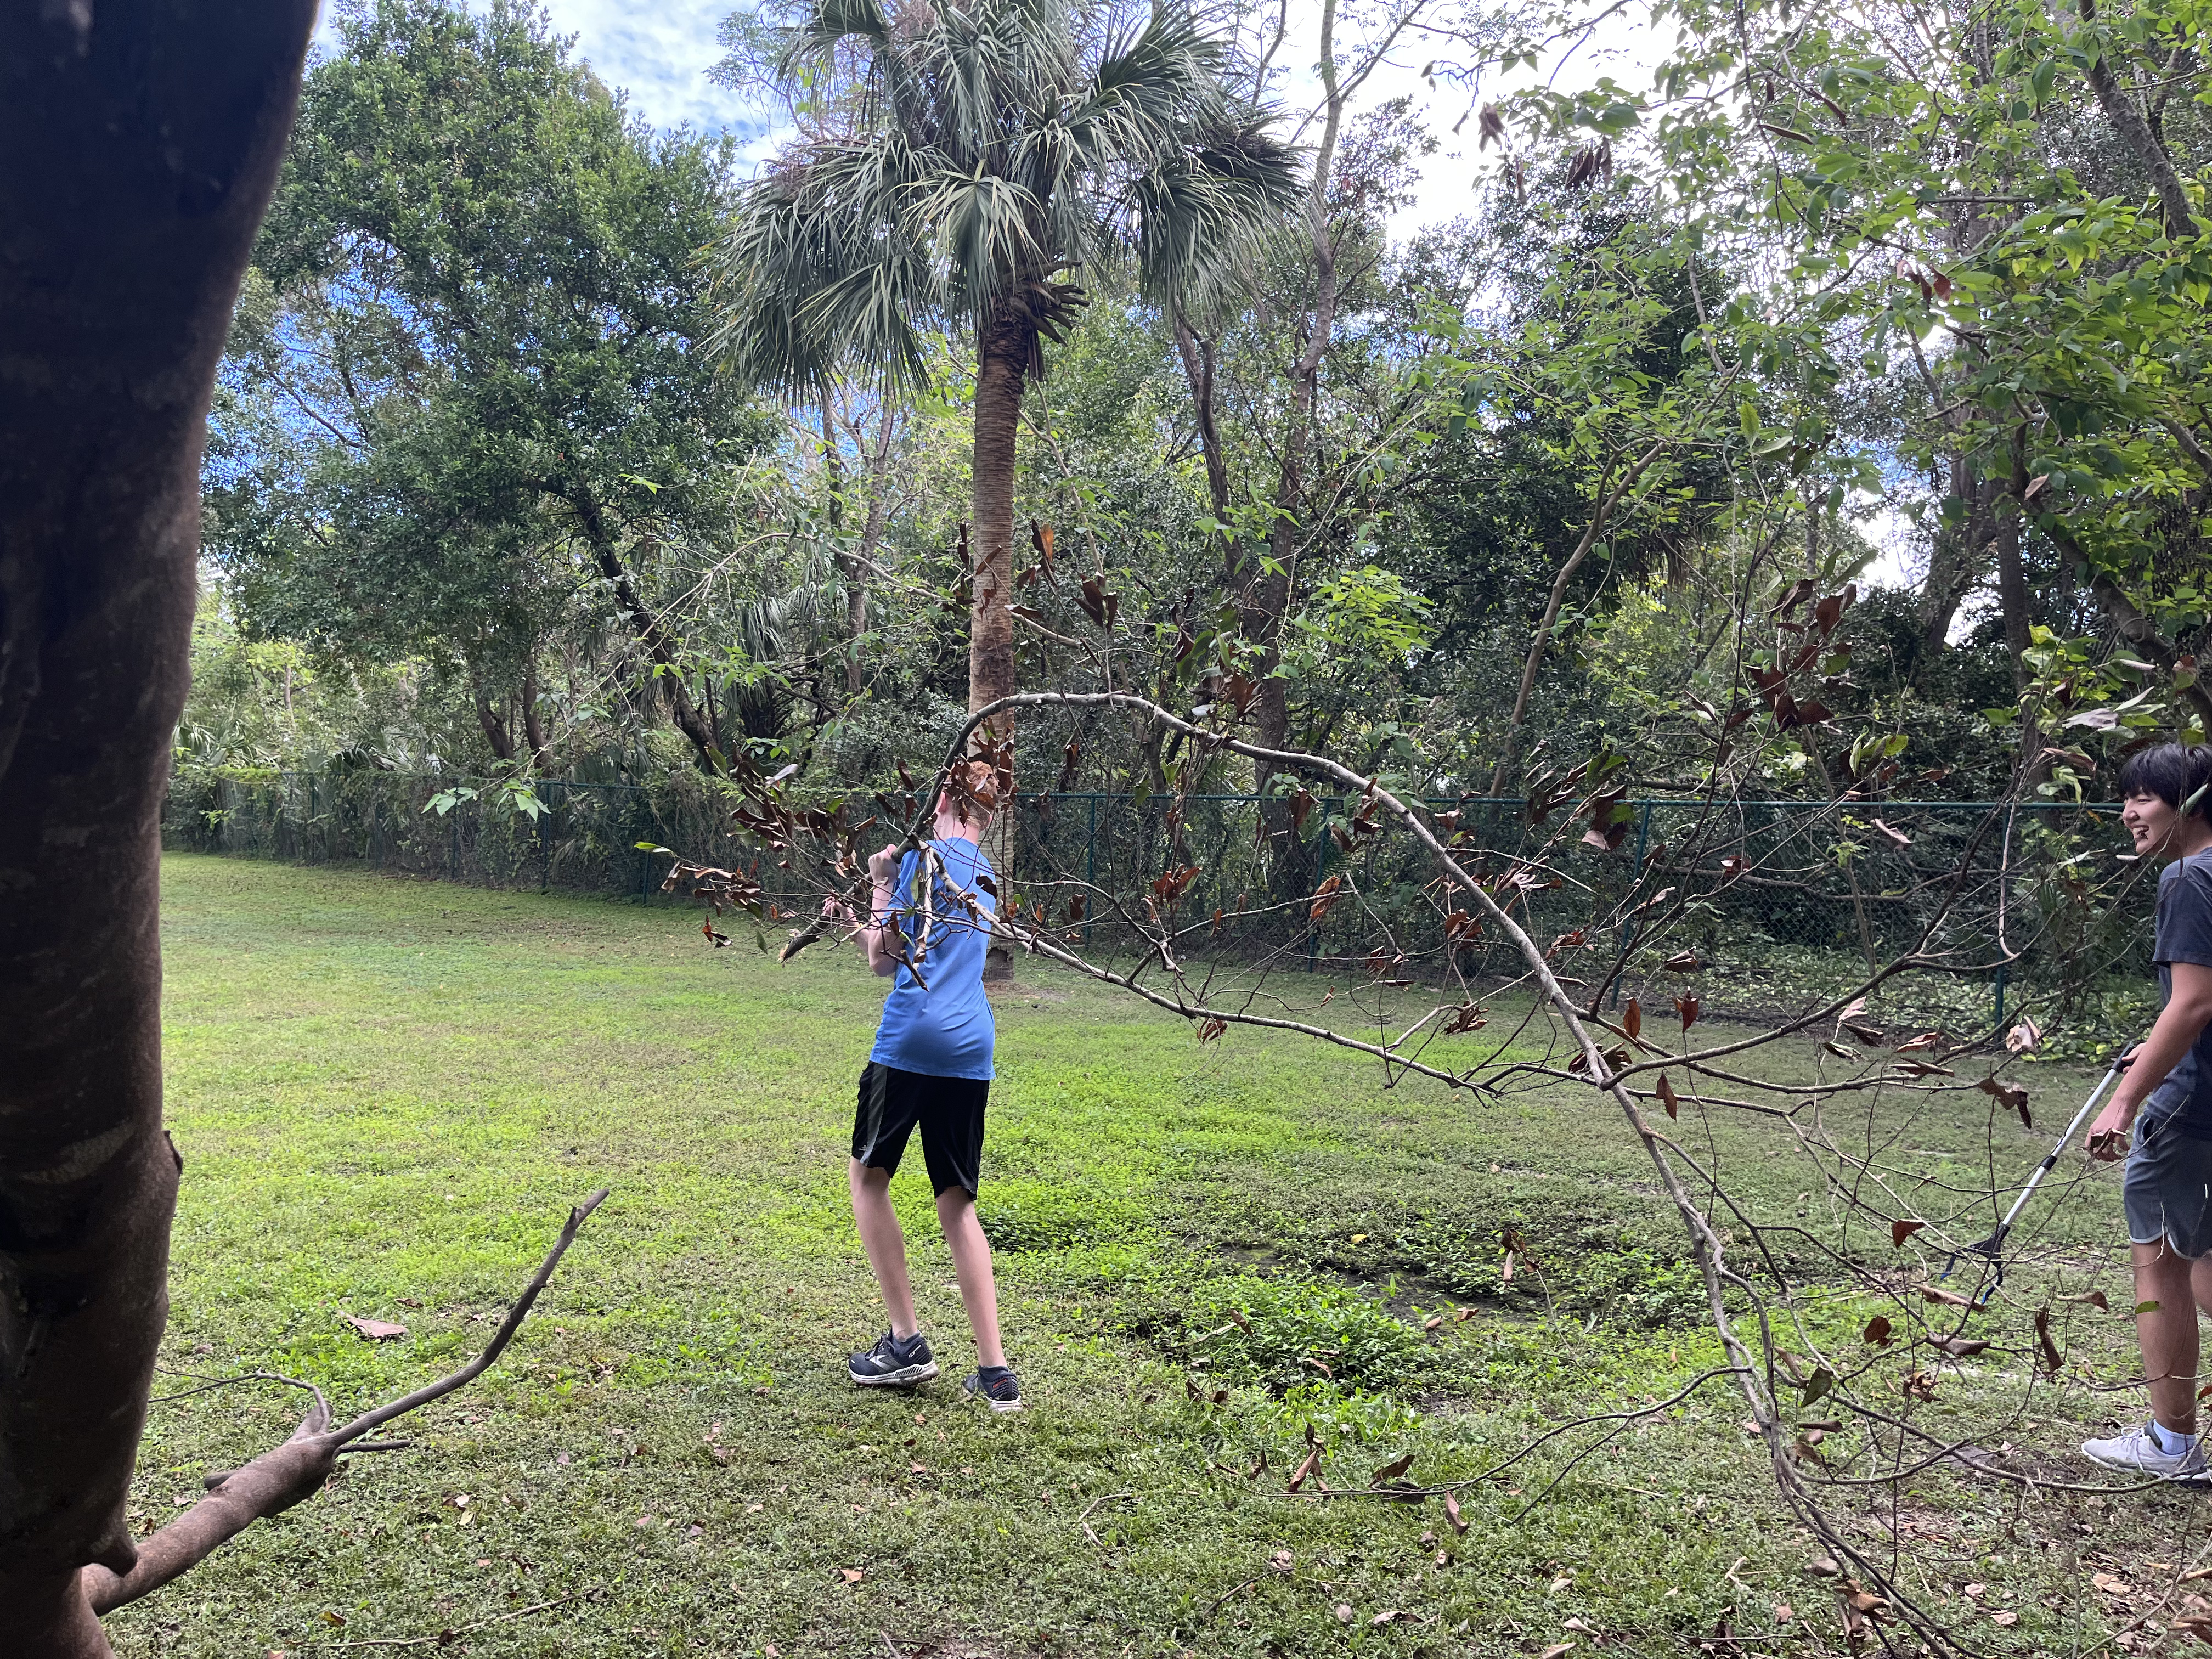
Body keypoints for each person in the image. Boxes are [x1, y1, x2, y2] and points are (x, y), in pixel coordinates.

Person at [825, 759, 1022, 1413]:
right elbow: (911, 947)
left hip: (911, 1039)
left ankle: (907, 1343)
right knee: (957, 1202)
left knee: (868, 1177)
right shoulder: (988, 881)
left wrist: (881, 885)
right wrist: (852, 919)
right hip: (971, 1046)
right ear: (989, 813)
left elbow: (887, 959)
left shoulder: (921, 860)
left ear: (942, 797)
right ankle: (995, 1374)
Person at [2083, 741, 2212, 1477]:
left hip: (2192, 1107)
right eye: (2126, 796)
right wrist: (2157, 1045)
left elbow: (2195, 1001)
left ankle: (2171, 1446)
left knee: (2160, 1261)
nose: (2128, 813)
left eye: (2144, 797)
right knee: (2202, 1264)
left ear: (2189, 804)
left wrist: (2124, 1102)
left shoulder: (2188, 875)